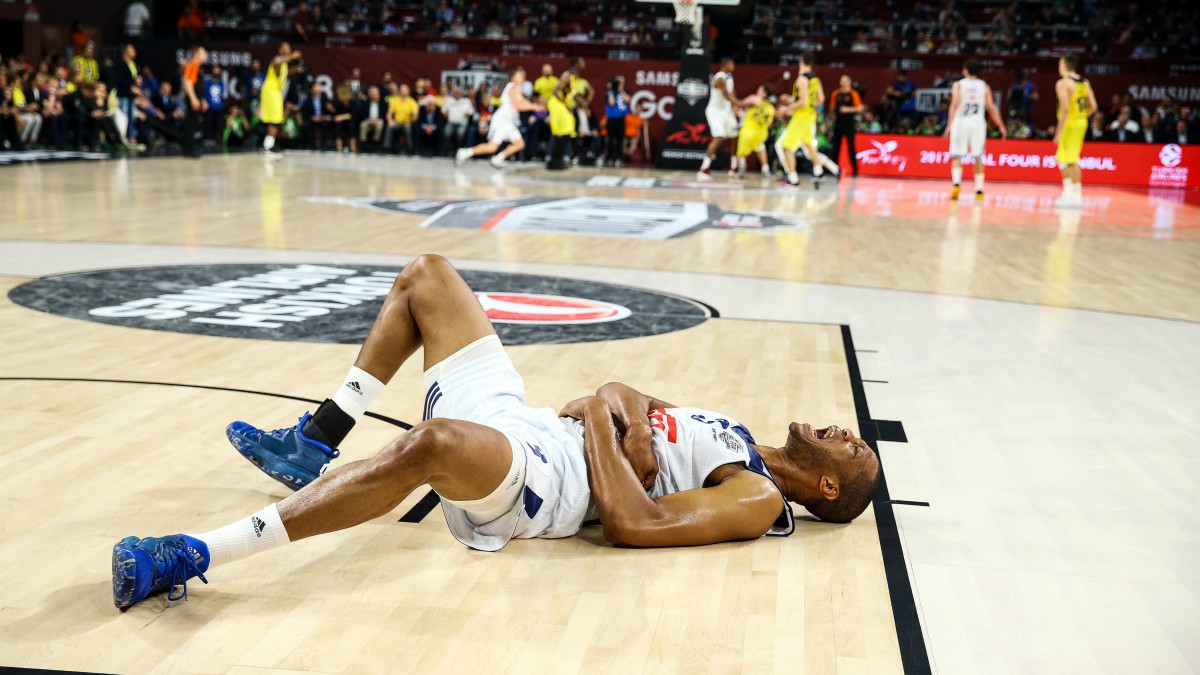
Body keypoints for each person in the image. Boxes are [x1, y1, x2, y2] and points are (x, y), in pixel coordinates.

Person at [111, 254, 882, 610]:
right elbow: (629, 392)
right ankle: (316, 438)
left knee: (430, 444)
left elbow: (632, 522)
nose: (844, 431)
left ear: (825, 486)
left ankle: (192, 553)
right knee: (428, 277)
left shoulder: (752, 498)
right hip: (532, 424)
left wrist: (606, 424)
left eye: (852, 448)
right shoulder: (739, 435)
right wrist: (615, 399)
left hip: (543, 484)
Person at [456, 67, 544, 168]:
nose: (523, 77)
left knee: (519, 144)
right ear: (514, 77)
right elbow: (518, 105)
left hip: (507, 121)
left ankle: (497, 158)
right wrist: (535, 107)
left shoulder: (515, 89)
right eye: (520, 75)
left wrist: (534, 106)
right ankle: (465, 152)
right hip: (502, 120)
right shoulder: (512, 87)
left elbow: (523, 102)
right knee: (493, 147)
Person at [945, 59, 1006, 202]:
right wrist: (1001, 125)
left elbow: (954, 104)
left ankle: (956, 184)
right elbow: (991, 107)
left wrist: (949, 125)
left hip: (961, 121)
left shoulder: (959, 84)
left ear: (965, 70)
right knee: (978, 156)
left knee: (957, 156)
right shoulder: (984, 86)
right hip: (977, 122)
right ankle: (979, 190)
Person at [776, 52, 840, 188]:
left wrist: (786, 109)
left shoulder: (802, 79)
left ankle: (793, 180)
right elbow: (821, 99)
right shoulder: (815, 79)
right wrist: (809, 105)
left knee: (786, 146)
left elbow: (803, 102)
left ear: (801, 61)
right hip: (810, 116)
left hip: (801, 117)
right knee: (808, 145)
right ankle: (819, 172)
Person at [1053, 55, 1097, 209]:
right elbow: (1093, 106)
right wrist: (1081, 117)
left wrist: (1058, 132)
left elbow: (1065, 108)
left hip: (1069, 123)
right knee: (1067, 158)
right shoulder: (1084, 82)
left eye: (1060, 63)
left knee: (1068, 159)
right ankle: (1071, 194)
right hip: (1081, 121)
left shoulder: (1063, 83)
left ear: (1064, 64)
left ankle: (1073, 195)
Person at [698, 57, 743, 180]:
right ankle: (704, 169)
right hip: (715, 112)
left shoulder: (729, 77)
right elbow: (724, 92)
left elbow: (731, 93)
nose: (734, 66)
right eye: (732, 64)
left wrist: (735, 105)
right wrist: (740, 103)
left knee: (735, 136)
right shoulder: (719, 76)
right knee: (719, 138)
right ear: (726, 64)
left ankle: (733, 168)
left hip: (726, 111)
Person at [260, 43, 301, 154]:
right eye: (286, 48)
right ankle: (267, 146)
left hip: (276, 92)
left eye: (290, 48)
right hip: (270, 91)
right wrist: (292, 56)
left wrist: (295, 70)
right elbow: (277, 63)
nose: (289, 49)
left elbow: (284, 75)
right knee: (274, 120)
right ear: (280, 49)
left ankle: (269, 144)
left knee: (277, 119)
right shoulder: (277, 59)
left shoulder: (284, 64)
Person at [546, 57, 587, 170]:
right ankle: (554, 160)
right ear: (576, 63)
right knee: (562, 132)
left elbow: (571, 94)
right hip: (557, 104)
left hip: (563, 105)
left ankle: (558, 159)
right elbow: (555, 91)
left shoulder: (575, 77)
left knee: (568, 131)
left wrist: (580, 103)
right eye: (581, 62)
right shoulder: (568, 75)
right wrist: (565, 105)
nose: (584, 64)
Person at [733, 84, 775, 177]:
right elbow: (769, 123)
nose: (757, 90)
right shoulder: (770, 106)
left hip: (749, 129)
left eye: (760, 89)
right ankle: (765, 169)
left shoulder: (754, 98)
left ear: (764, 93)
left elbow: (739, 104)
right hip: (761, 132)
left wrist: (732, 99)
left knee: (742, 151)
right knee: (760, 147)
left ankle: (742, 169)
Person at [830, 75, 864, 177]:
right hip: (838, 123)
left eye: (845, 81)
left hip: (849, 123)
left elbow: (860, 108)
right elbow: (832, 108)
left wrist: (847, 109)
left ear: (849, 82)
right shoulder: (836, 93)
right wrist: (831, 118)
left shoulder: (853, 93)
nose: (843, 83)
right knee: (836, 146)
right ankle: (834, 169)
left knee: (851, 147)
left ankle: (855, 169)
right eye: (841, 81)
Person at [179, 46, 208, 158]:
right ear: (196, 54)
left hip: (197, 98)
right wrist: (193, 98)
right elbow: (188, 82)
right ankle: (188, 150)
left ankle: (191, 147)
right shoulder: (192, 65)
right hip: (193, 99)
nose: (205, 56)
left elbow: (198, 85)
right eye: (203, 53)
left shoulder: (197, 67)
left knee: (194, 124)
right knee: (190, 124)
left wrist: (202, 100)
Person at [604, 76, 631, 166]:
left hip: (621, 119)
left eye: (622, 82)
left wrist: (621, 90)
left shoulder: (625, 92)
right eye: (619, 82)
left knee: (620, 139)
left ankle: (620, 158)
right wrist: (611, 89)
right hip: (611, 119)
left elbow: (627, 99)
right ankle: (609, 158)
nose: (621, 83)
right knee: (611, 139)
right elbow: (611, 103)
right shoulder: (609, 92)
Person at [384, 83, 418, 154]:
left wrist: (410, 122)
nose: (403, 91)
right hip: (397, 122)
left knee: (408, 129)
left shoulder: (412, 102)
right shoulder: (395, 100)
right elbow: (389, 114)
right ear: (399, 91)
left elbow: (415, 116)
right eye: (402, 90)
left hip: (407, 122)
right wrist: (390, 120)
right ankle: (386, 147)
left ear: (408, 91)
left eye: (405, 90)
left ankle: (410, 148)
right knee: (389, 126)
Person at [441, 85, 474, 155]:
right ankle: (450, 149)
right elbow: (443, 110)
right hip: (451, 122)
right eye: (456, 92)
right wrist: (446, 114)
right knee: (447, 132)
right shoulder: (449, 100)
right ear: (453, 93)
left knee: (460, 133)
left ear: (461, 93)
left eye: (459, 92)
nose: (457, 94)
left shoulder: (466, 101)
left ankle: (458, 149)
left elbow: (471, 111)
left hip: (462, 123)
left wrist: (468, 113)